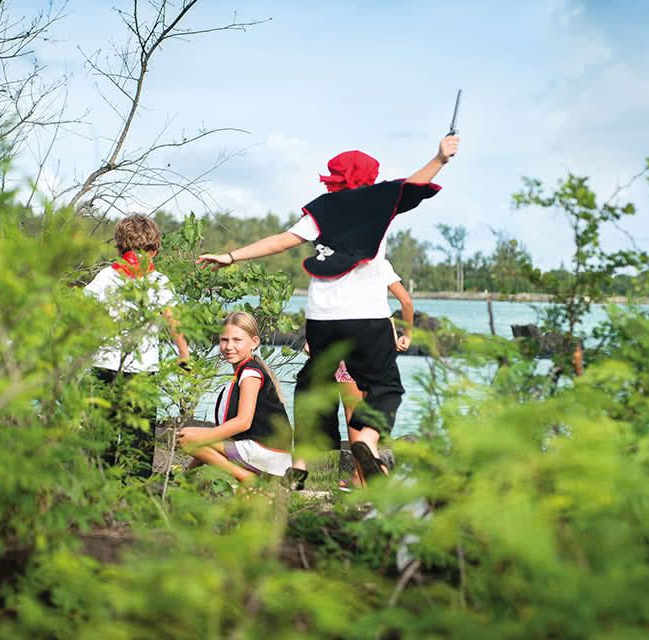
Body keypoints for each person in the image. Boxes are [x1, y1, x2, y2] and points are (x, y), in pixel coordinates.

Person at [198, 134, 458, 485]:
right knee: (385, 386)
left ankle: (301, 466)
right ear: (370, 176)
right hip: (366, 316)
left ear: (333, 178)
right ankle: (366, 442)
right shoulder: (379, 198)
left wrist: (230, 256)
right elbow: (414, 182)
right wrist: (440, 157)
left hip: (322, 316)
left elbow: (280, 241)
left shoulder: (322, 207)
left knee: (312, 388)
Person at [84, 214, 190, 478]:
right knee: (132, 442)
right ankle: (126, 500)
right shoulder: (155, 280)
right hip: (132, 370)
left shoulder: (107, 277)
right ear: (156, 250)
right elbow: (172, 319)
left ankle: (104, 496)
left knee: (110, 438)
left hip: (109, 367)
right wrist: (184, 353)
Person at [178, 312, 294, 483]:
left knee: (187, 437)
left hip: (267, 452)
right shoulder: (245, 371)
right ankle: (185, 478)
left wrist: (200, 439)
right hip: (271, 453)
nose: (229, 346)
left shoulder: (250, 374)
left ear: (254, 342)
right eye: (224, 340)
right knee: (196, 437)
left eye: (237, 340)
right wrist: (187, 472)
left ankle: (247, 479)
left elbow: (243, 422)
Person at [333, 260, 414, 489]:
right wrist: (406, 334)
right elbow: (406, 302)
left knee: (352, 414)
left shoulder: (337, 264)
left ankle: (364, 478)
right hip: (381, 341)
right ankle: (367, 477)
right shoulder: (380, 263)